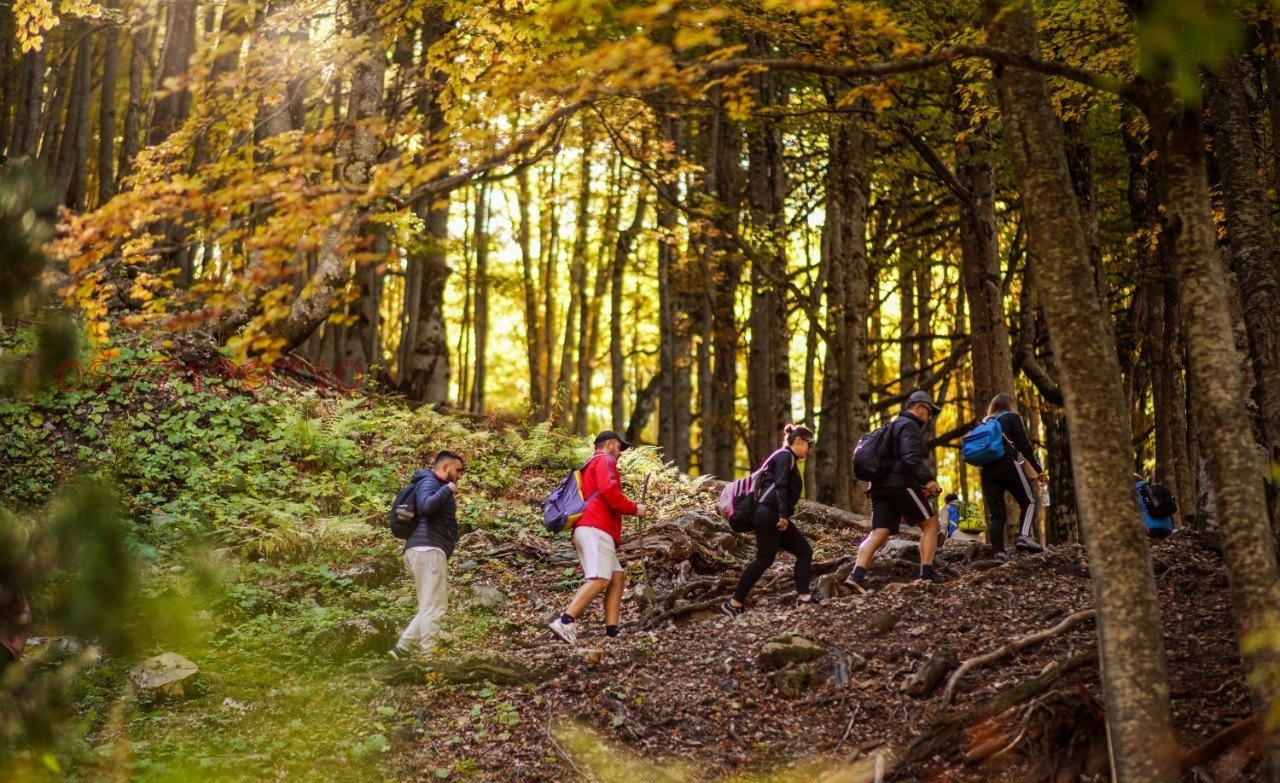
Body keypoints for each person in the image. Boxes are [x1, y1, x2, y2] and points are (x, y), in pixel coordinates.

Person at [549, 431, 648, 646]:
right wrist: (634, 509)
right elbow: (609, 491)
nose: (620, 454)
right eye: (619, 448)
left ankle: (612, 631)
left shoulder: (590, 464)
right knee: (600, 579)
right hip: (596, 528)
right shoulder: (605, 460)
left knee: (616, 577)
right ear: (610, 444)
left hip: (588, 528)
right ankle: (565, 621)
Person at [846, 390, 945, 591]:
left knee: (879, 532)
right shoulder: (909, 425)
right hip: (899, 485)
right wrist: (927, 480)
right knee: (931, 525)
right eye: (929, 411)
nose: (930, 417)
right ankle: (927, 574)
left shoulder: (892, 425)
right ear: (918, 407)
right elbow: (910, 458)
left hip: (878, 487)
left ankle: (857, 575)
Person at [721, 424, 817, 618]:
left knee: (803, 551)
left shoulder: (786, 458)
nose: (810, 450)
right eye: (809, 444)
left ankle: (804, 597)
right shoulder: (785, 456)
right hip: (771, 514)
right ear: (799, 441)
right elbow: (781, 485)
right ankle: (733, 603)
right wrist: (783, 515)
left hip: (772, 514)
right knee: (765, 558)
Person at [389, 450, 464, 660]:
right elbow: (426, 505)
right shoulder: (431, 481)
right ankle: (428, 658)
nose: (459, 476)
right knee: (434, 606)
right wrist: (448, 489)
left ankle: (401, 649)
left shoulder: (432, 483)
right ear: (445, 467)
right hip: (427, 550)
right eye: (458, 470)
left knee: (433, 605)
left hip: (425, 550)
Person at [978, 392, 1046, 562]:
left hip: (987, 470)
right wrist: (1038, 470)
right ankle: (1024, 536)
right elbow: (1024, 445)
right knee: (1028, 502)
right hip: (1007, 464)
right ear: (1010, 405)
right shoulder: (1012, 417)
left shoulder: (985, 421)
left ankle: (999, 553)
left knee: (997, 514)